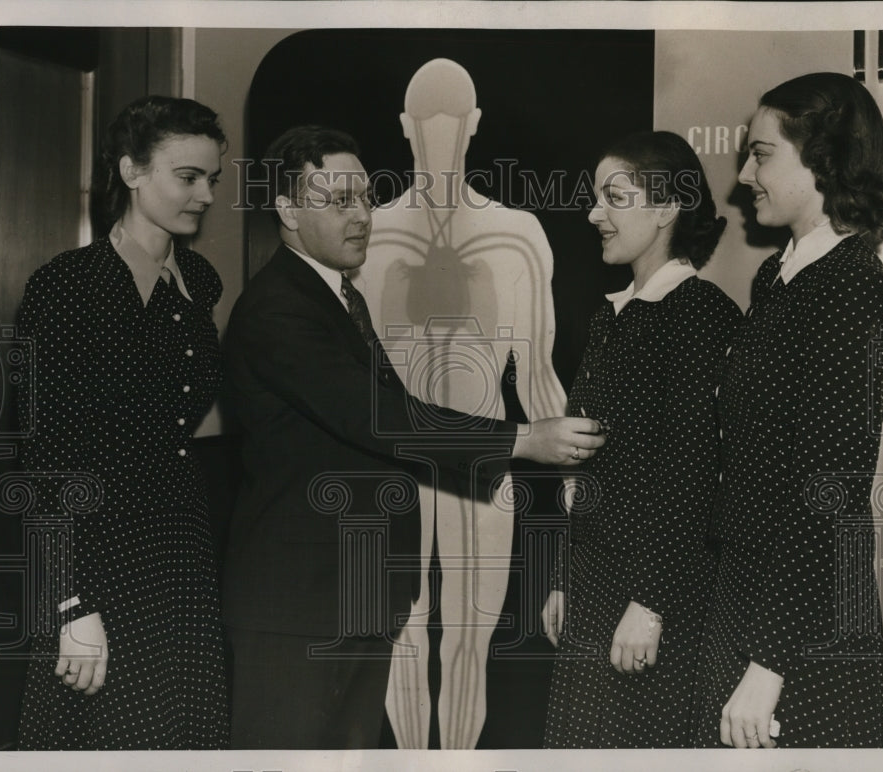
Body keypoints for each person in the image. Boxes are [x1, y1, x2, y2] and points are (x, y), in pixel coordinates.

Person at [221, 124, 604, 750]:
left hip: (352, 597)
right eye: (337, 201)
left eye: (366, 198)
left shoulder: (336, 297)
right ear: (287, 210)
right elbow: (381, 418)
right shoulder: (278, 309)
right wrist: (523, 439)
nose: (361, 216)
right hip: (298, 609)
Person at [358, 58, 568, 749]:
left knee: (468, 644)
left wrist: (573, 502)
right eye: (429, 126)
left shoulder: (517, 236)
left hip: (484, 468)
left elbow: (540, 382)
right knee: (404, 636)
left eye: (450, 125)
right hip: (396, 464)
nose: (441, 140)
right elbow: (345, 382)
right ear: (404, 129)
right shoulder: (368, 238)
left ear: (474, 126)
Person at [694, 72, 883, 749]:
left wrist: (767, 666)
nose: (745, 176)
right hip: (748, 596)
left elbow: (831, 493)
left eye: (761, 154)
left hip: (799, 630)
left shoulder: (850, 290)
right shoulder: (780, 279)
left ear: (821, 159)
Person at [15, 96, 229, 749]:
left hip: (182, 555)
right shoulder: (69, 286)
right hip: (100, 562)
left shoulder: (198, 281)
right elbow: (46, 459)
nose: (206, 196)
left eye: (213, 180)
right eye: (187, 177)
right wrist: (70, 604)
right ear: (132, 172)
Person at [541, 131, 741, 748]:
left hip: (654, 599)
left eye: (614, 197)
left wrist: (650, 604)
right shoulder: (614, 314)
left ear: (665, 208)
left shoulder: (699, 314)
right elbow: (596, 467)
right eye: (595, 197)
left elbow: (693, 476)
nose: (594, 213)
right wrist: (564, 576)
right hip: (598, 583)